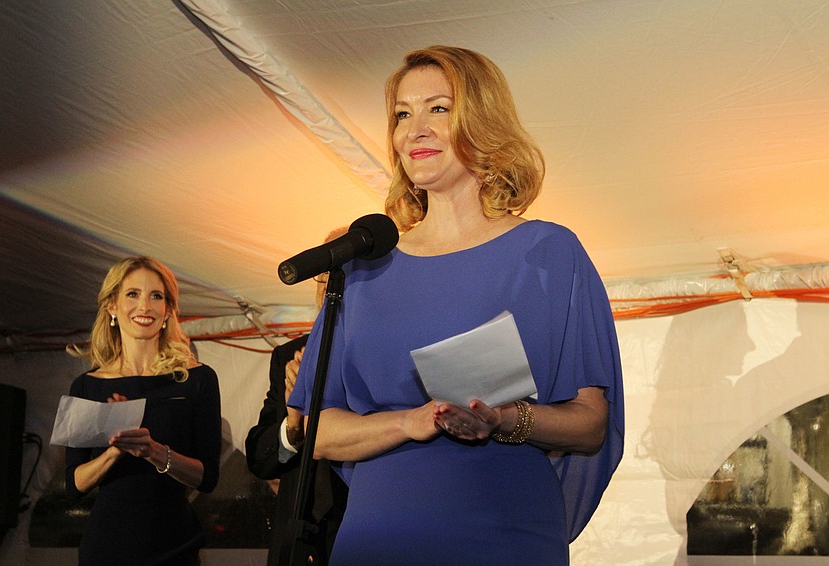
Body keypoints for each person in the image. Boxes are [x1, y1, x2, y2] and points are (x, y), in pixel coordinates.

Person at [288, 45, 625, 564]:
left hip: (506, 533)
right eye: (402, 114)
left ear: (482, 121)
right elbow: (316, 430)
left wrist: (505, 419)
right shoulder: (362, 267)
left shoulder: (550, 252)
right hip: (378, 539)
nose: (414, 129)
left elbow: (591, 423)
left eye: (438, 109)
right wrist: (408, 422)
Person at [65, 256, 222, 566]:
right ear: (112, 305)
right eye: (133, 294)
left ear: (168, 310)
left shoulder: (196, 379)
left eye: (156, 296)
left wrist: (153, 450)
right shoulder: (86, 387)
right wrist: (115, 452)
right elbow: (74, 485)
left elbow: (207, 477)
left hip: (174, 546)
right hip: (106, 550)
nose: (145, 306)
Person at [246, 227, 349, 566]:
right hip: (297, 540)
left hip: (358, 531)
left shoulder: (388, 354)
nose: (332, 283)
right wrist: (293, 423)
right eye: (324, 275)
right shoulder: (290, 355)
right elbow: (260, 459)